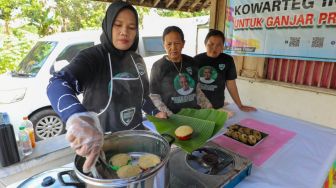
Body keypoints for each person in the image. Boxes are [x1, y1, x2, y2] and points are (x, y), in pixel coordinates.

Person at [46, 1, 166, 173]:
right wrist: (75, 115)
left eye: (131, 27)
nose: (124, 31)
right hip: (101, 147)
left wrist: (156, 112)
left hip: (137, 143)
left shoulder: (137, 60)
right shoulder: (93, 58)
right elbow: (56, 84)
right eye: (118, 25)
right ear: (108, 25)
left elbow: (143, 97)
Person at [149, 26, 212, 116]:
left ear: (183, 43)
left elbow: (197, 90)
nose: (173, 47)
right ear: (164, 45)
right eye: (169, 44)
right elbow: (154, 96)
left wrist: (209, 107)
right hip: (171, 117)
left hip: (195, 115)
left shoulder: (192, 62)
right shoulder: (158, 66)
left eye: (177, 43)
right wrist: (170, 116)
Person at [194, 29, 256, 114]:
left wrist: (240, 105)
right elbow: (192, 84)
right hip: (199, 107)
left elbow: (231, 84)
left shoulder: (227, 60)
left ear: (223, 46)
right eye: (211, 44)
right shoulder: (196, 60)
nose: (214, 48)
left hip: (218, 106)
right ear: (205, 43)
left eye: (218, 45)